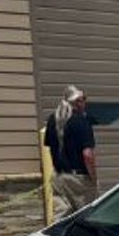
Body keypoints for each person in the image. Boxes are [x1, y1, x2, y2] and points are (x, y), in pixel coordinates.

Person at [44, 85, 97, 216]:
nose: (85, 102)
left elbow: (51, 148)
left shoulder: (52, 120)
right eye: (83, 99)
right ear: (78, 101)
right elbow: (87, 155)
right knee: (87, 216)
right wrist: (93, 178)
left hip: (59, 177)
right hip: (78, 179)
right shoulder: (82, 121)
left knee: (62, 217)